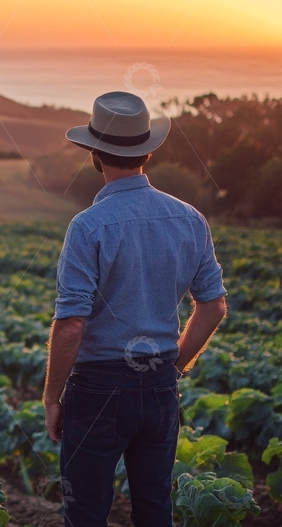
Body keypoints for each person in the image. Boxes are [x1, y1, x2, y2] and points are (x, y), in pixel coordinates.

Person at [42, 91, 227, 527]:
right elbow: (214, 306)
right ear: (147, 151)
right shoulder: (190, 218)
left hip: (98, 389)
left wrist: (51, 397)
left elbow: (71, 325)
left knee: (86, 512)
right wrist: (173, 367)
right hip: (160, 384)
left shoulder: (88, 225)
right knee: (155, 509)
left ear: (94, 154)